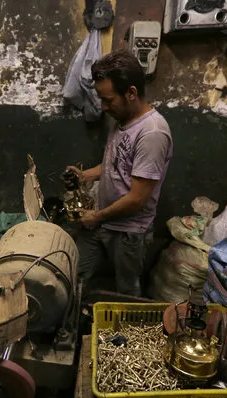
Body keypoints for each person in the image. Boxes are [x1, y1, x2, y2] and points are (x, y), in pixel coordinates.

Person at [66, 49, 173, 297]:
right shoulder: (122, 117)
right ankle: (72, 325)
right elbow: (117, 164)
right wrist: (86, 175)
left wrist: (97, 217)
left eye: (108, 99)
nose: (103, 107)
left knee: (126, 290)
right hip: (102, 221)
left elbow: (137, 198)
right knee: (76, 274)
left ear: (131, 93)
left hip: (128, 233)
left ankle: (126, 334)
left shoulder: (152, 133)